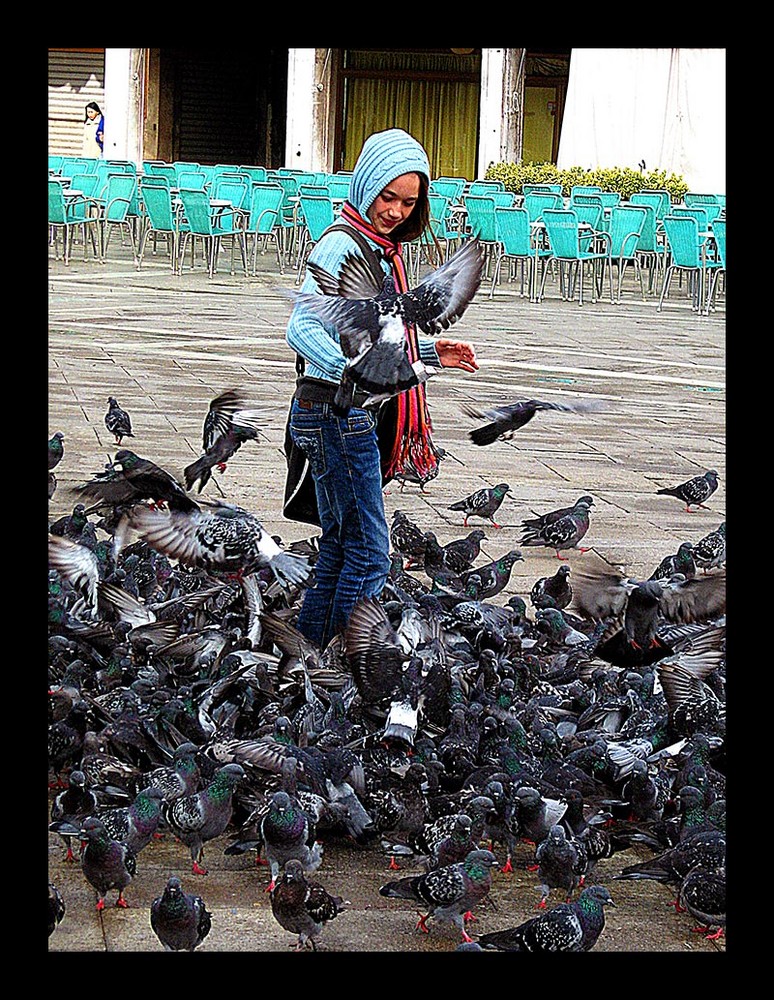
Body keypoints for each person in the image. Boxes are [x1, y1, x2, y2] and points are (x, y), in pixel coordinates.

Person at [285, 128, 479, 650]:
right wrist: (354, 376)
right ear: (367, 185)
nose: (394, 211)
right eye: (387, 196)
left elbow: (378, 337)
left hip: (331, 412)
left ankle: (306, 658)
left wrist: (428, 355)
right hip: (337, 415)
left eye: (408, 202)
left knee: (340, 548)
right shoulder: (344, 245)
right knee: (370, 555)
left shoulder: (379, 249)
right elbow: (300, 330)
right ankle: (355, 665)